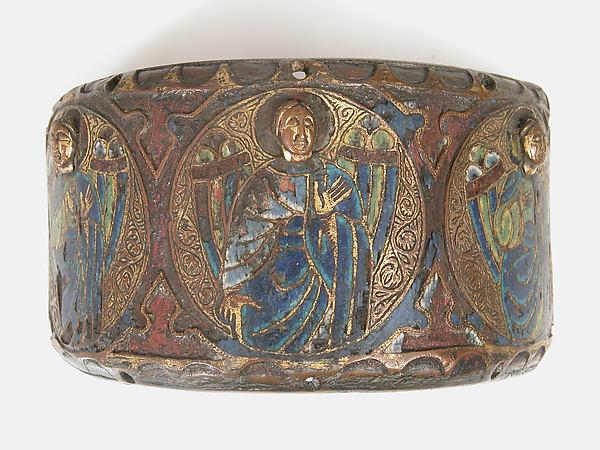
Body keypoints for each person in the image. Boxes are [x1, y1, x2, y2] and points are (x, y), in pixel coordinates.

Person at [220, 100, 370, 353]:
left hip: (320, 281)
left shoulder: (334, 178)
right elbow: (240, 239)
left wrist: (325, 219)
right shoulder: (263, 181)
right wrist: (232, 289)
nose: (302, 133)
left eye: (308, 124)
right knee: (252, 330)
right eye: (293, 124)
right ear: (278, 132)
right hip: (266, 282)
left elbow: (357, 236)